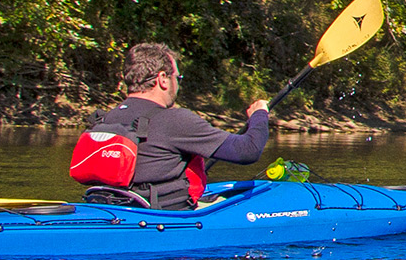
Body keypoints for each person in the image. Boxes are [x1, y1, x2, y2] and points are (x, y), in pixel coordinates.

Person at [84, 43, 271, 209]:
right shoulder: (175, 119)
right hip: (161, 217)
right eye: (177, 78)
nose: (177, 84)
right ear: (163, 79)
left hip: (111, 208)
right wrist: (259, 114)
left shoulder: (106, 118)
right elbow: (248, 151)